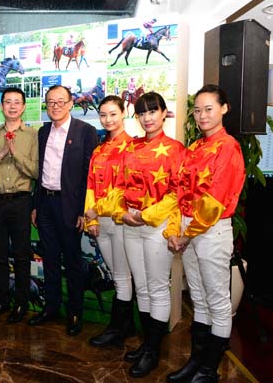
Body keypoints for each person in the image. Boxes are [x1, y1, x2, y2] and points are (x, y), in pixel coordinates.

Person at [165, 84, 245, 383]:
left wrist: (187, 234)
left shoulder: (229, 147)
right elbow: (180, 190)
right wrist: (177, 229)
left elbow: (215, 199)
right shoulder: (196, 147)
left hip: (211, 230)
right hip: (189, 228)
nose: (202, 116)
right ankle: (196, 362)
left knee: (217, 301)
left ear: (224, 108)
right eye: (197, 110)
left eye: (209, 109)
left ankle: (209, 370)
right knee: (198, 298)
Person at [115, 92, 186, 378]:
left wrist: (146, 215)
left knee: (157, 288)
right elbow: (119, 184)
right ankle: (147, 344)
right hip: (130, 224)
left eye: (153, 111)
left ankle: (154, 351)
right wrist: (123, 212)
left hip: (157, 226)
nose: (147, 118)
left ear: (164, 113)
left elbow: (177, 192)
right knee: (142, 288)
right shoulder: (131, 147)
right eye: (142, 113)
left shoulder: (176, 149)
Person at [28, 85, 98, 336]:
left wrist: (82, 211)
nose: (55, 106)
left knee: (72, 261)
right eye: (50, 102)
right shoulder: (43, 131)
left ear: (70, 104)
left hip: (70, 206)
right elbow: (40, 172)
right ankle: (51, 307)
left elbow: (89, 175)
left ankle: (75, 312)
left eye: (60, 101)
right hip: (45, 204)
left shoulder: (86, 131)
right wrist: (35, 205)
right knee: (49, 259)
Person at [0, 87, 38, 324]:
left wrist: (16, 154)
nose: (12, 106)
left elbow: (36, 171)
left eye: (17, 102)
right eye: (8, 102)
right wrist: (2, 153)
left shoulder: (33, 135)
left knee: (21, 256)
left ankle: (21, 303)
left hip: (21, 201)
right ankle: (2, 301)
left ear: (23, 107)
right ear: (1, 107)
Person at [83, 95, 135, 347]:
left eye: (113, 114)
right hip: (99, 220)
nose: (108, 119)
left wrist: (99, 211)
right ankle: (125, 325)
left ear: (123, 113)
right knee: (116, 275)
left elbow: (127, 189)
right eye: (103, 115)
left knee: (122, 276)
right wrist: (90, 219)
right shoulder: (99, 150)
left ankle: (118, 328)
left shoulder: (133, 147)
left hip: (121, 220)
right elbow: (90, 186)